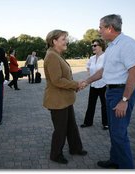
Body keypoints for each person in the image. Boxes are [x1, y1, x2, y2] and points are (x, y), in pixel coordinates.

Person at [82, 14, 135, 169]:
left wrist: (124, 100)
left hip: (121, 93)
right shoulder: (112, 46)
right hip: (111, 92)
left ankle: (126, 168)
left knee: (119, 134)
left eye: (101, 27)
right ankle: (115, 160)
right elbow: (104, 71)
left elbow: (133, 74)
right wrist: (86, 81)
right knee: (114, 131)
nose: (99, 30)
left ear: (110, 28)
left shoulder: (128, 44)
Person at [43, 29, 87, 164]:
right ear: (54, 41)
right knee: (60, 130)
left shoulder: (57, 54)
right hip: (57, 101)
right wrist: (75, 85)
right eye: (63, 39)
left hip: (64, 99)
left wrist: (74, 86)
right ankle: (55, 155)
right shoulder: (51, 56)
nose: (66, 41)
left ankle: (75, 148)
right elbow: (57, 80)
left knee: (71, 126)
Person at [80, 39, 108, 130]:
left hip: (104, 84)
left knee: (105, 104)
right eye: (92, 45)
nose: (93, 47)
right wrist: (90, 75)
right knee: (91, 104)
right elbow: (88, 67)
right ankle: (88, 122)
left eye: (95, 45)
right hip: (93, 85)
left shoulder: (106, 56)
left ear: (101, 46)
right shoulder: (92, 58)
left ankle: (106, 123)